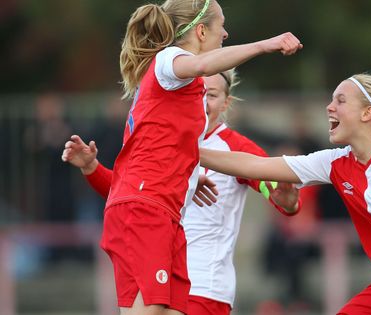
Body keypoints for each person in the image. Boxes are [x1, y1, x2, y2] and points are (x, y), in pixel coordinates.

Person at [63, 0, 302, 313]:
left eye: (211, 95)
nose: (226, 34)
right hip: (150, 215)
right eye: (221, 26)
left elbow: (273, 188)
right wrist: (265, 44)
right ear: (201, 31)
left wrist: (186, 176)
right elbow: (201, 66)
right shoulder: (170, 61)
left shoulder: (199, 136)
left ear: (227, 102)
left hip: (168, 226)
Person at [200, 73, 371, 314]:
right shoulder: (336, 162)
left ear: (367, 113)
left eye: (340, 100)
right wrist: (186, 150)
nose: (329, 107)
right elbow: (256, 165)